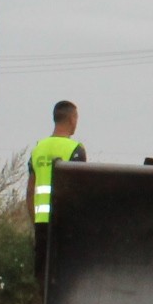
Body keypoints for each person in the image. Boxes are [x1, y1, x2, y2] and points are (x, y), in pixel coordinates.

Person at [27, 100, 87, 292]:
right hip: (64, 222)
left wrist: (34, 221)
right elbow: (77, 188)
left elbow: (30, 190)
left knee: (41, 272)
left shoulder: (38, 149)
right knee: (63, 272)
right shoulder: (75, 149)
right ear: (71, 118)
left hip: (42, 222)